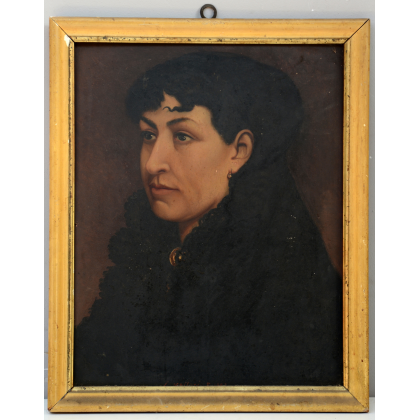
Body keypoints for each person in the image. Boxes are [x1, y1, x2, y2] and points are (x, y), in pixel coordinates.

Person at [74, 52, 343, 386]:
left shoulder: (284, 279)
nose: (153, 163)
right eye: (148, 135)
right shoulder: (147, 258)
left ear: (239, 151)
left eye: (182, 136)